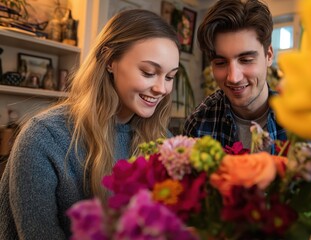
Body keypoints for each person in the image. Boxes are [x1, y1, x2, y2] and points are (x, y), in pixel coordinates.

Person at [0, 9, 180, 239]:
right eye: (148, 72)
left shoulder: (161, 139)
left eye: (170, 77)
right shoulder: (44, 137)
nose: (162, 89)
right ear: (109, 61)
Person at [183, 0, 286, 153]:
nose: (233, 78)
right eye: (220, 62)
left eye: (246, 60)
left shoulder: (300, 121)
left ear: (269, 56)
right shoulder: (199, 121)